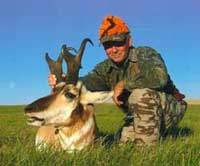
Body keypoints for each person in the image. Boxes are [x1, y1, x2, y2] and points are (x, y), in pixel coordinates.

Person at [48, 15, 187, 146]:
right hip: (137, 115)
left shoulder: (145, 54)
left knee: (141, 95)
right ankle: (154, 135)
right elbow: (85, 83)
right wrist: (65, 81)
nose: (113, 50)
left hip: (169, 109)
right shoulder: (105, 68)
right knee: (121, 143)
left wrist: (124, 83)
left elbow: (159, 78)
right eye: (107, 45)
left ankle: (147, 154)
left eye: (118, 43)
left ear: (129, 41)